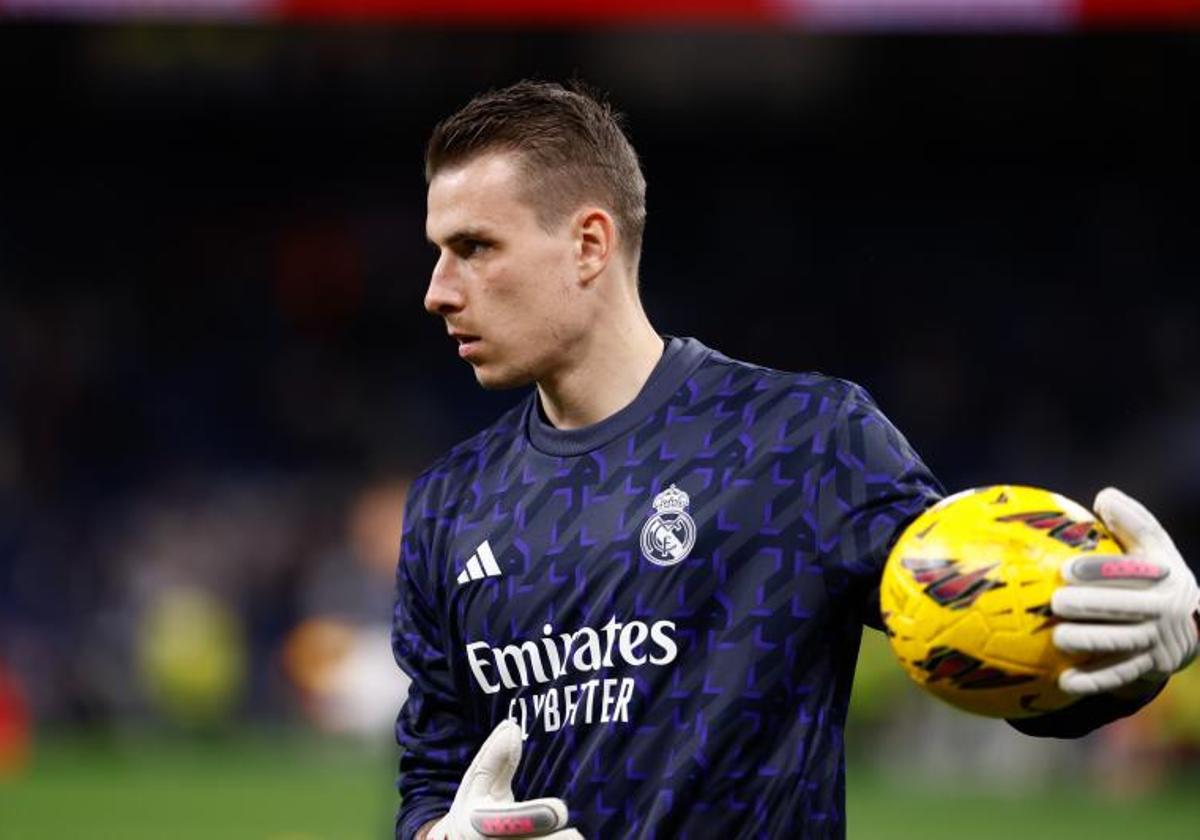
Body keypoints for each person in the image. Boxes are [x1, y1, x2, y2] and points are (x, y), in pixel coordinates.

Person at [392, 80, 1200, 840]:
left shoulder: (804, 442)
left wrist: (1126, 659)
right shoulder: (449, 504)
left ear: (590, 244)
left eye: (473, 247)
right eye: (439, 251)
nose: (437, 289)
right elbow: (431, 781)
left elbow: (990, 644)